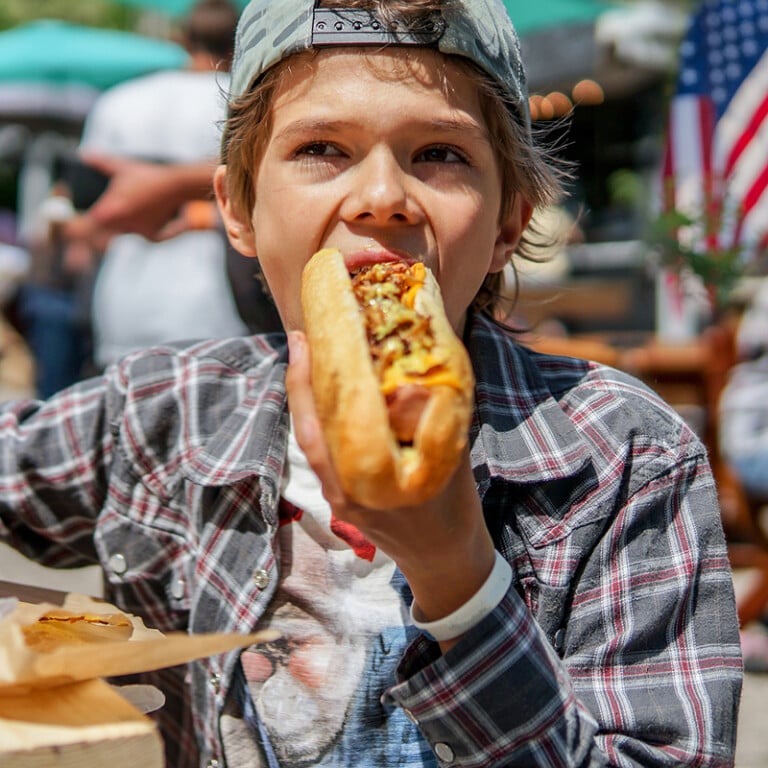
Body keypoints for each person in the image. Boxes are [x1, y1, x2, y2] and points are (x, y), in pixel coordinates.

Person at [0, 2, 742, 767]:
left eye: (440, 154)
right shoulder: (164, 410)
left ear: (508, 223)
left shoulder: (623, 457)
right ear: (239, 209)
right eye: (322, 148)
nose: (382, 194)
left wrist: (458, 575)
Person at [75, 0, 249, 368]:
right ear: (239, 43)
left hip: (123, 296)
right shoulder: (246, 99)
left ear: (180, 39)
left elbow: (86, 196)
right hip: (217, 302)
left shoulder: (120, 99)